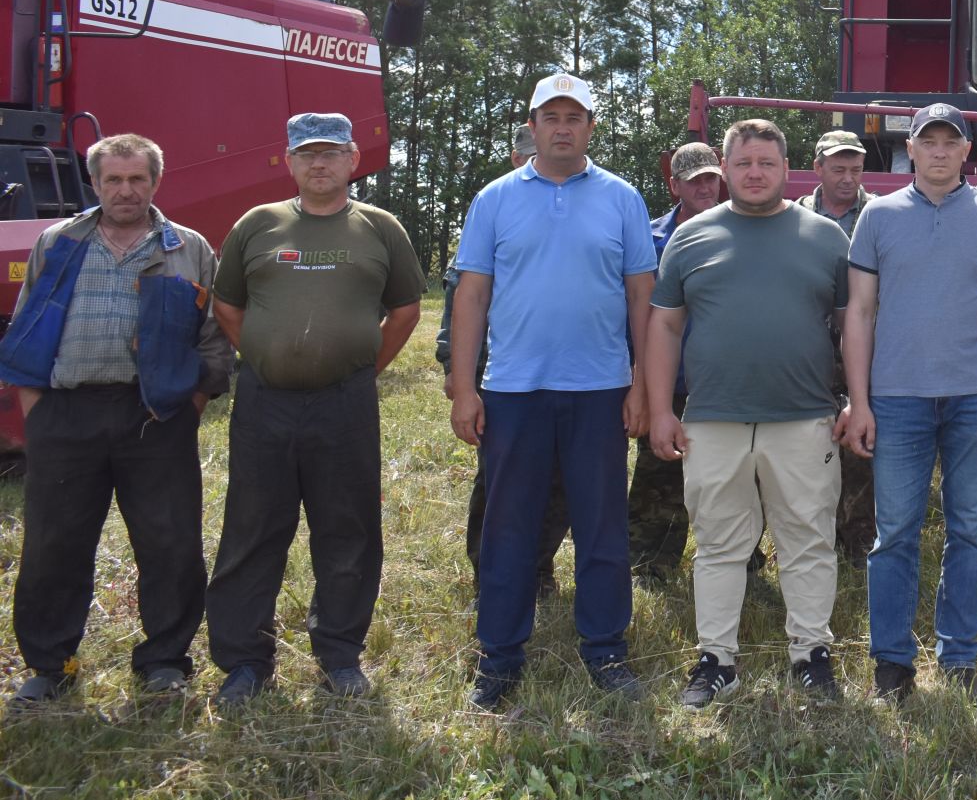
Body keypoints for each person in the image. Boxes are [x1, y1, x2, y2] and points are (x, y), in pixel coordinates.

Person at [1, 134, 232, 708]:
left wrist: (187, 411)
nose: (125, 191)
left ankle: (164, 661)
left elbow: (212, 342)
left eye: (137, 180)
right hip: (66, 415)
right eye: (113, 180)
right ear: (95, 183)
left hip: (155, 418)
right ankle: (52, 665)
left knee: (171, 544)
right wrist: (41, 413)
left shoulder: (190, 247)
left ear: (155, 182)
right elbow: (28, 328)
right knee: (54, 545)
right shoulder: (57, 242)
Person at [448, 74, 656, 710]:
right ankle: (500, 655)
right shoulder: (494, 199)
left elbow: (642, 298)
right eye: (551, 116)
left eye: (575, 117)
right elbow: (472, 295)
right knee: (508, 526)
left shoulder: (622, 199)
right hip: (514, 390)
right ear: (532, 125)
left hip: (600, 388)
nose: (563, 126)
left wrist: (643, 386)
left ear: (591, 127)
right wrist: (463, 387)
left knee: (602, 526)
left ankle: (606, 649)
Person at [206, 113, 425, 707]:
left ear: (354, 159)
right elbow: (228, 306)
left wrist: (359, 369)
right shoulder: (258, 225)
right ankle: (246, 663)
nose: (319, 164)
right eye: (307, 154)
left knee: (348, 528)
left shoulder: (380, 228)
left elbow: (406, 310)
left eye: (331, 153)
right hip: (264, 404)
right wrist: (266, 351)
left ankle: (339, 654)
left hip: (345, 406)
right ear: (289, 161)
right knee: (252, 529)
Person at [644, 119, 851, 708]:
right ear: (726, 170)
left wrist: (858, 399)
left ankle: (811, 654)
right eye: (743, 163)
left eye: (766, 162)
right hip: (713, 418)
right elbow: (664, 325)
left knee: (808, 540)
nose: (754, 173)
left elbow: (852, 326)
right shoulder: (690, 238)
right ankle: (717, 659)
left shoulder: (827, 237)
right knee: (717, 544)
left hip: (804, 417)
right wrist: (662, 409)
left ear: (787, 170)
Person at [840, 104, 977, 700]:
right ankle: (892, 664)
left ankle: (959, 658)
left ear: (967, 153)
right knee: (894, 531)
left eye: (952, 142)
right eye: (929, 141)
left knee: (971, 529)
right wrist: (859, 401)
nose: (941, 151)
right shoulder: (878, 216)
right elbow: (860, 313)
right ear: (910, 151)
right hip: (897, 400)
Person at [436, 124, 568, 598]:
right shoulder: (493, 207)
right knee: (499, 479)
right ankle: (488, 567)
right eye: (528, 153)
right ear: (516, 158)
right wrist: (458, 372)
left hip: (560, 376)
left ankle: (539, 566)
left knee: (557, 481)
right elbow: (461, 297)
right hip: (498, 376)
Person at [628, 140, 725, 582]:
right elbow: (635, 316)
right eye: (695, 180)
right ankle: (650, 561)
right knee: (659, 475)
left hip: (725, 382)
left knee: (732, 479)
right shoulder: (649, 240)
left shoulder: (742, 230)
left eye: (711, 178)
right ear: (675, 186)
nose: (706, 187)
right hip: (668, 379)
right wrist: (643, 387)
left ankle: (737, 559)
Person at [798, 128, 877, 563]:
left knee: (861, 452)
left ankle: (859, 547)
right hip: (807, 352)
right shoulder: (793, 217)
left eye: (855, 169)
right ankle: (810, 543)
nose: (848, 178)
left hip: (863, 352)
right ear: (818, 168)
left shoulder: (880, 215)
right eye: (839, 168)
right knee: (805, 454)